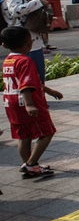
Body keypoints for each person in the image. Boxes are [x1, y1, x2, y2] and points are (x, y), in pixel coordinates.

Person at [2, 26, 62, 179]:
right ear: (27, 43)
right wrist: (30, 104)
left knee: (24, 136)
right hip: (26, 103)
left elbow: (23, 82)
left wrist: (49, 91)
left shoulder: (8, 61)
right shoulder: (25, 61)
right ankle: (32, 163)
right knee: (47, 132)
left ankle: (28, 164)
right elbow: (26, 85)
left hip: (11, 103)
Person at [1, 0, 48, 81]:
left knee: (35, 73)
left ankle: (37, 97)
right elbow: (15, 11)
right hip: (22, 35)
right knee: (31, 74)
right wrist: (38, 2)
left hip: (29, 35)